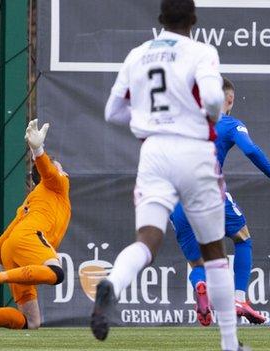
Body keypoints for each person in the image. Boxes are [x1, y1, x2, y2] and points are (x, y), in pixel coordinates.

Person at [94, 1, 245, 350]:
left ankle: (113, 285)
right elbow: (212, 99)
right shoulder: (200, 51)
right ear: (193, 18)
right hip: (192, 149)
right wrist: (204, 118)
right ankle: (229, 343)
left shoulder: (138, 54)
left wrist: (146, 119)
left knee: (146, 240)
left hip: (153, 151)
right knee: (215, 252)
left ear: (160, 19)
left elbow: (112, 111)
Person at [171, 78, 270, 326]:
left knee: (197, 262)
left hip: (175, 198)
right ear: (230, 99)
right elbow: (251, 150)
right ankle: (239, 298)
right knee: (242, 238)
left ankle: (201, 286)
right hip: (208, 193)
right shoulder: (230, 124)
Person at [0, 119, 69, 330]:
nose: (63, 171)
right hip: (29, 240)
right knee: (56, 274)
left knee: (32, 322)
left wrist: (7, 261)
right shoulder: (57, 186)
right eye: (60, 168)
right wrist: (38, 150)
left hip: (12, 249)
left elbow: (0, 246)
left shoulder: (31, 202)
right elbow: (47, 171)